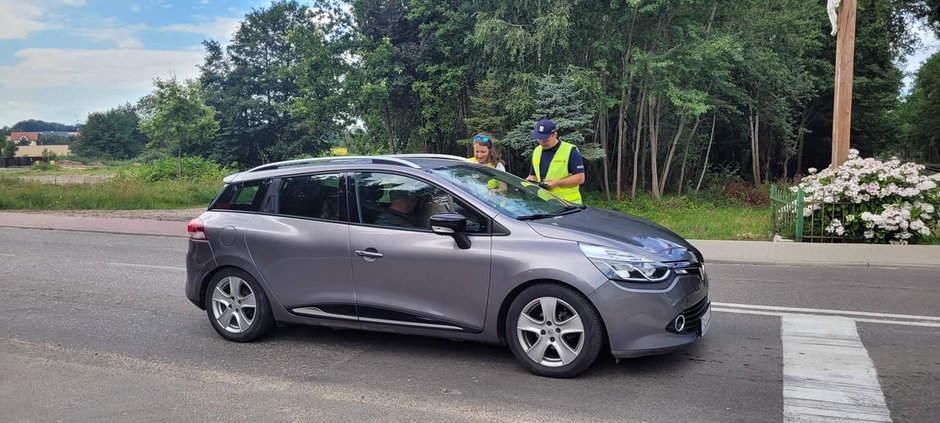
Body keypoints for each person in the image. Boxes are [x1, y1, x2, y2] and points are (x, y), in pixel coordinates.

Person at [526, 119, 585, 204]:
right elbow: (532, 176)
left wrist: (558, 183)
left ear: (555, 135)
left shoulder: (570, 151)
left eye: (545, 139)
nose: (542, 142)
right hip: (545, 203)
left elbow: (580, 178)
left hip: (568, 205)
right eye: (539, 139)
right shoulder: (537, 151)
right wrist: (527, 183)